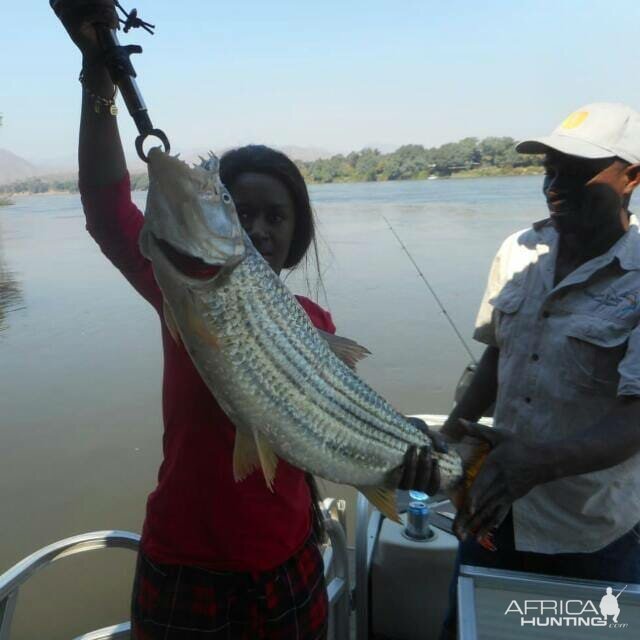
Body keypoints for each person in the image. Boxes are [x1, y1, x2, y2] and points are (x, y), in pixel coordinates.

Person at [52, 2, 439, 638]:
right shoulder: (178, 286)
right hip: (182, 562)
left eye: (276, 216)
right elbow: (104, 203)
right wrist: (99, 72)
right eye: (242, 210)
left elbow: (331, 429)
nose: (258, 229)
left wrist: (408, 465)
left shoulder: (313, 320)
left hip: (287, 563)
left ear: (297, 233)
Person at [439, 102, 640, 638]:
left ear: (632, 177)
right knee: (470, 627)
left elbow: (635, 418)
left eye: (576, 172)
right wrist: (452, 431)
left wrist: (536, 465)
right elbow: (498, 354)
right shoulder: (519, 250)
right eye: (549, 169)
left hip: (586, 537)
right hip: (489, 511)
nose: (554, 185)